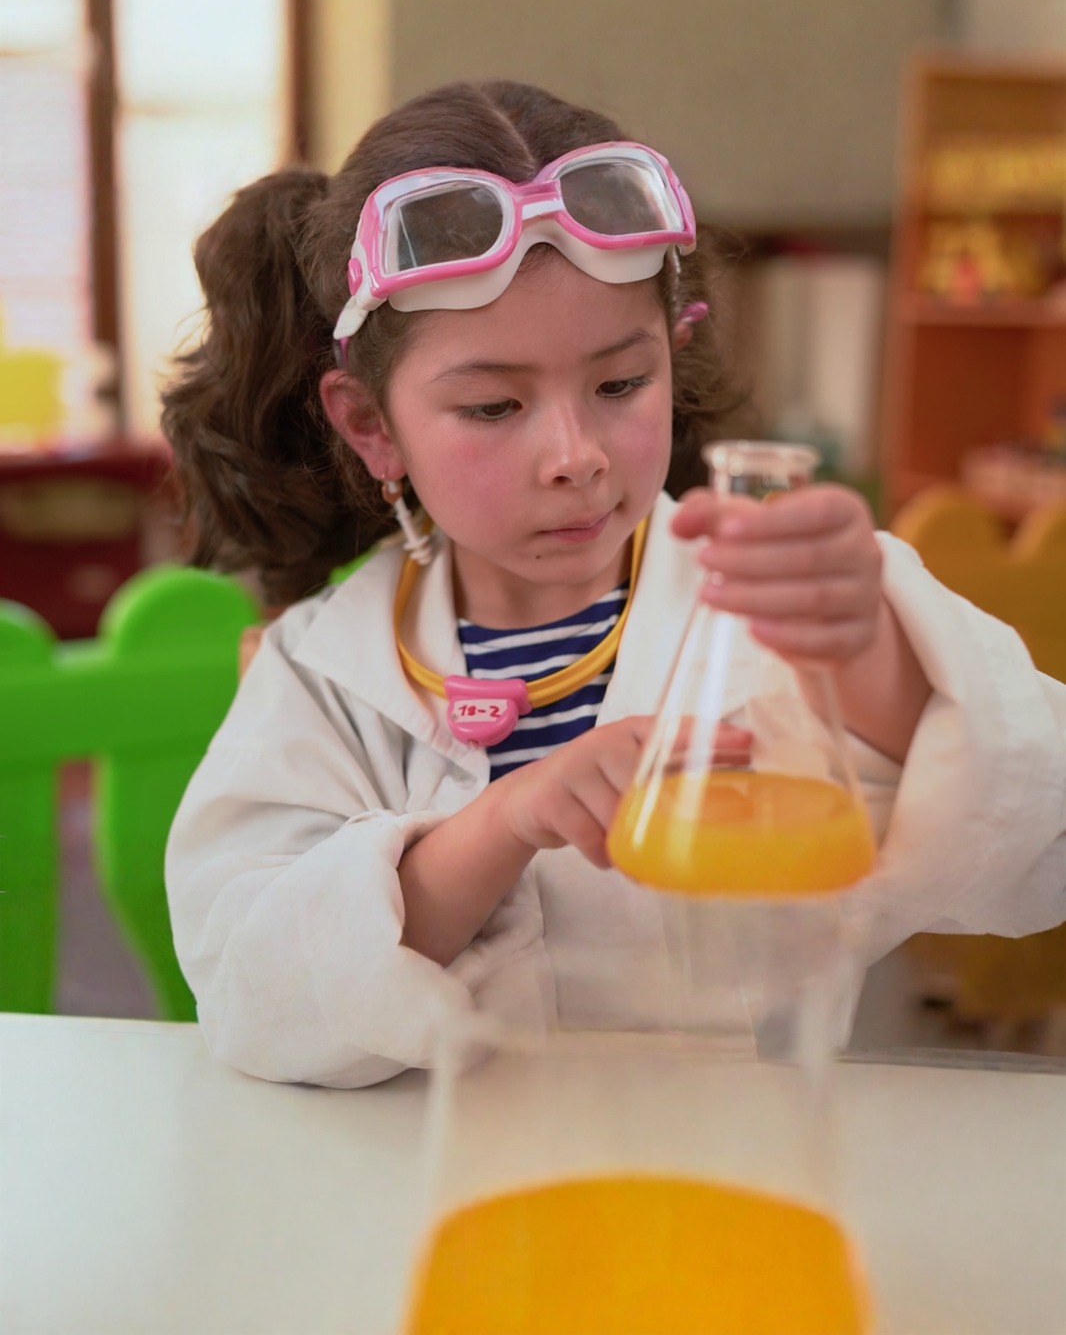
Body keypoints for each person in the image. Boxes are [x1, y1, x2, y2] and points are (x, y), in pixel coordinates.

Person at [162, 80, 1066, 1089]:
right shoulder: (323, 671)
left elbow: (1039, 847)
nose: (575, 456)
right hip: (444, 1166)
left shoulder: (787, 606)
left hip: (739, 1149)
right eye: (494, 406)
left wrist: (868, 654)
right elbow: (249, 993)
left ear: (673, 355)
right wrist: (500, 825)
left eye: (621, 385)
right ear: (372, 426)